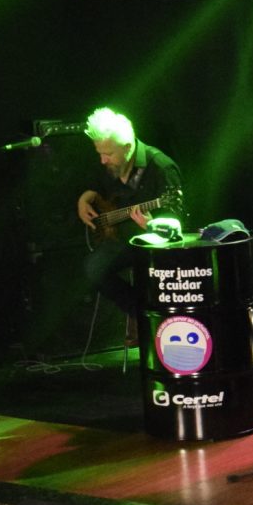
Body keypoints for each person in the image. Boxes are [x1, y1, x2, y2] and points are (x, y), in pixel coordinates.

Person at [76, 108, 183, 337]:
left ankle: (154, 319)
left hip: (155, 245)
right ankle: (142, 315)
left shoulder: (161, 167)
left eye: (108, 154)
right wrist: (84, 198)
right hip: (123, 239)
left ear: (127, 146)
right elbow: (96, 183)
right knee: (93, 268)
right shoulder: (110, 164)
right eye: (99, 153)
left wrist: (152, 225)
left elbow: (178, 223)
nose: (103, 160)